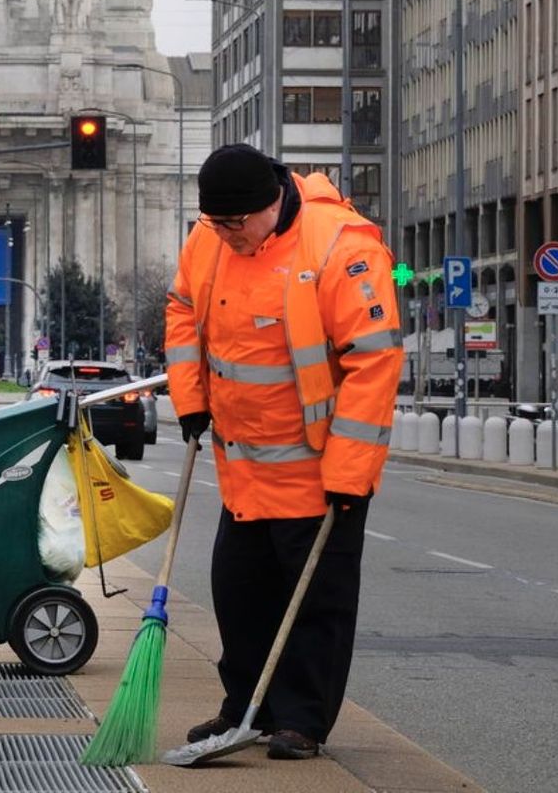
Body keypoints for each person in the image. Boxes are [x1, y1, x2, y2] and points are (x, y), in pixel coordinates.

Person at [164, 144, 402, 760]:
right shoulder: (210, 239)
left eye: (236, 225)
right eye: (216, 225)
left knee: (316, 604)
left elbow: (373, 362)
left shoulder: (341, 247)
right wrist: (190, 398)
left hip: (318, 472)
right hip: (242, 467)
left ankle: (301, 720)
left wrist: (351, 474)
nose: (227, 237)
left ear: (271, 203)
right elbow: (182, 310)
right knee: (236, 592)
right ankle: (245, 705)